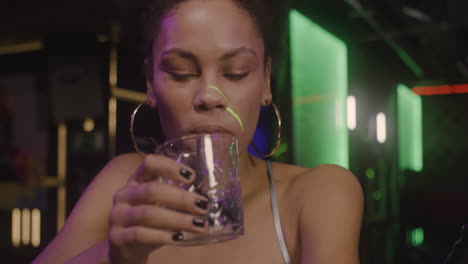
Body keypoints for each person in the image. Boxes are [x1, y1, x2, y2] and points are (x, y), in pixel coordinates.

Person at [34, 0, 363, 263]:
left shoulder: (318, 192)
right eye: (181, 73)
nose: (208, 96)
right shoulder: (124, 183)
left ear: (265, 81)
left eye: (236, 73)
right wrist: (111, 256)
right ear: (150, 83)